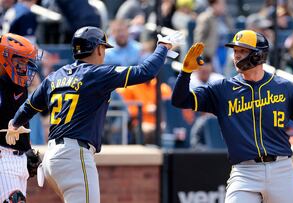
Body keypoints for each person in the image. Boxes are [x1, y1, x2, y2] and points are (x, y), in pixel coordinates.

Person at [5, 26, 178, 203]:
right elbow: (146, 72)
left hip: (51, 160)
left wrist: (14, 124)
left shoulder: (54, 76)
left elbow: (28, 107)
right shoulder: (97, 74)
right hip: (74, 155)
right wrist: (163, 46)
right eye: (103, 48)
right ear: (98, 48)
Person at [171, 30, 293, 203]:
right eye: (235, 51)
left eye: (243, 51)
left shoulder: (284, 87)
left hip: (281, 169)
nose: (237, 56)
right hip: (245, 172)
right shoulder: (222, 90)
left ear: (258, 55)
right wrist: (185, 73)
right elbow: (180, 100)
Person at [0, 33, 40, 202]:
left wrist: (27, 147)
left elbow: (19, 122)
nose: (25, 66)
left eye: (26, 62)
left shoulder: (19, 84)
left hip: (19, 160)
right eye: (20, 61)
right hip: (3, 159)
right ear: (5, 57)